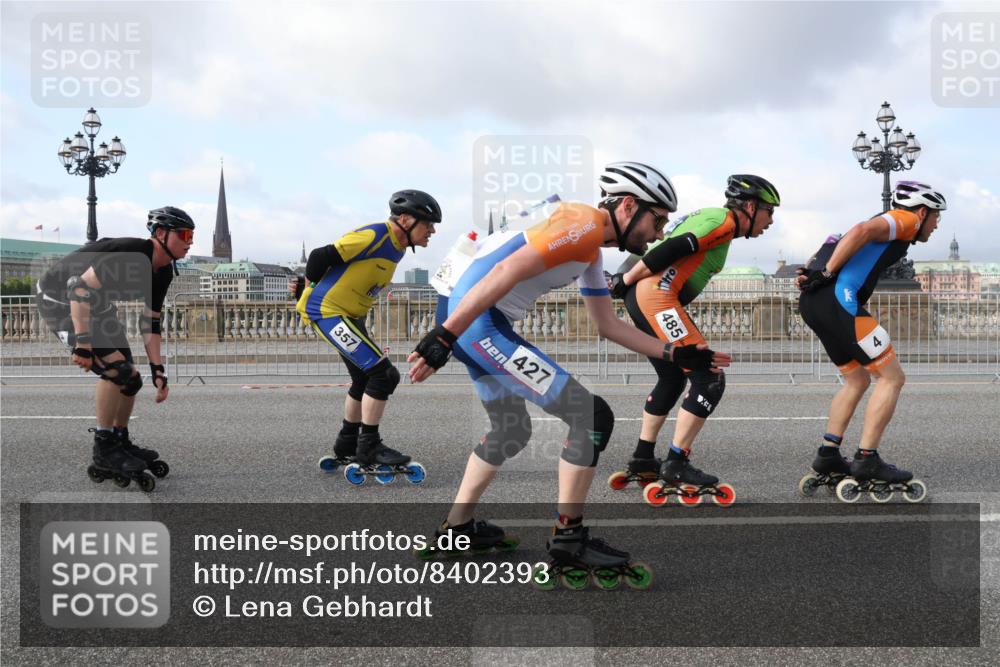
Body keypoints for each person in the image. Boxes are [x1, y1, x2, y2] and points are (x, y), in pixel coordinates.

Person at [408, 162, 729, 588]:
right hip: (478, 323)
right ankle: (568, 538)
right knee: (591, 416)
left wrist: (676, 353)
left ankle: (457, 529)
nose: (658, 233)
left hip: (467, 316)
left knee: (509, 430)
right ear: (629, 205)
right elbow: (506, 271)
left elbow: (607, 325)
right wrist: (444, 338)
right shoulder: (582, 224)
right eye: (658, 219)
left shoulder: (588, 244)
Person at [606, 175, 779, 506]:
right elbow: (673, 247)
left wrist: (624, 278)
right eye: (769, 212)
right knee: (708, 377)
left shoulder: (710, 217)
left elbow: (657, 245)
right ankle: (677, 463)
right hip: (656, 298)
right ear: (750, 206)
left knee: (671, 377)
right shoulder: (724, 222)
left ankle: (644, 458)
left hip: (646, 296)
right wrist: (624, 279)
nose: (770, 222)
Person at [795, 181, 944, 503]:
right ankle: (867, 457)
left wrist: (813, 271)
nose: (935, 225)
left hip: (814, 303)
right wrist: (829, 272)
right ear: (922, 212)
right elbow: (863, 229)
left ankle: (829, 454)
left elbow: (835, 239)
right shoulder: (905, 221)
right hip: (840, 301)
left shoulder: (887, 224)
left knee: (856, 379)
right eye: (935, 218)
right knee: (891, 378)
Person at [36, 206, 195, 491]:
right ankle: (104, 449)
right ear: (161, 234)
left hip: (95, 304)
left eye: (191, 235)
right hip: (62, 298)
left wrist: (158, 370)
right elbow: (77, 289)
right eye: (184, 234)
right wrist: (83, 343)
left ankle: (119, 440)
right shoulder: (132, 259)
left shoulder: (163, 272)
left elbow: (151, 323)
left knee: (131, 379)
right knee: (116, 371)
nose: (190, 241)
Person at [295, 190, 440, 482]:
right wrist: (308, 291)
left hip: (348, 315)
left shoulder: (398, 247)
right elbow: (320, 256)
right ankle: (369, 446)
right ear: (405, 219)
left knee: (363, 378)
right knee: (383, 376)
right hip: (328, 312)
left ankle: (347, 443)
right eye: (428, 223)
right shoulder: (376, 235)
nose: (432, 230)